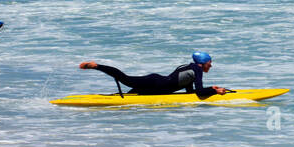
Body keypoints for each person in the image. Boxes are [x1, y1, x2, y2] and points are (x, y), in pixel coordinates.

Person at [78, 51, 230, 98]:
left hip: (157, 83)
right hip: (156, 84)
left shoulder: (189, 67)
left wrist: (211, 88)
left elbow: (190, 91)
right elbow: (200, 94)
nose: (211, 65)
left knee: (132, 93)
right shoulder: (196, 70)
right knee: (125, 79)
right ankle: (96, 66)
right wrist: (214, 91)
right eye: (209, 62)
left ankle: (123, 99)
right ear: (203, 63)